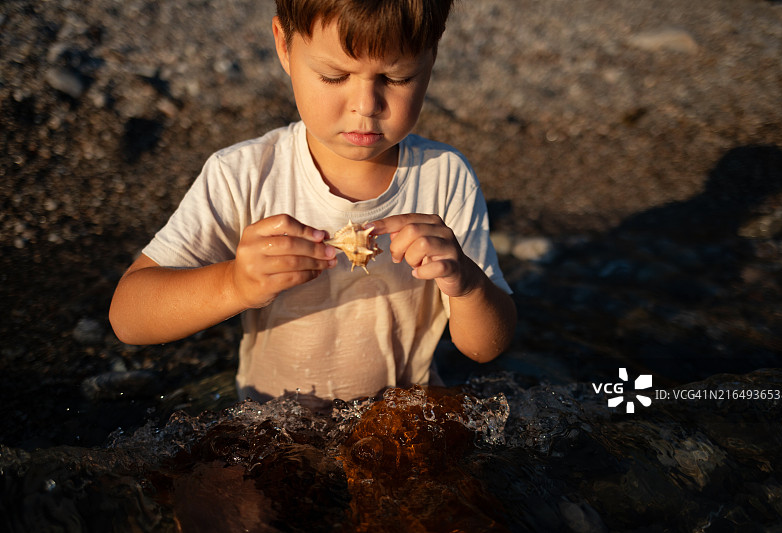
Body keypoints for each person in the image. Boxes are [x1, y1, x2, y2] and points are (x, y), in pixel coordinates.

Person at [109, 0, 516, 406]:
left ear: (431, 57)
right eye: (334, 76)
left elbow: (486, 348)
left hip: (399, 423)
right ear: (284, 46)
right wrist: (235, 283)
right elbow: (129, 318)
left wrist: (466, 283)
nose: (365, 105)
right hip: (271, 424)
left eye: (397, 77)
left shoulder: (443, 176)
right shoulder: (246, 175)